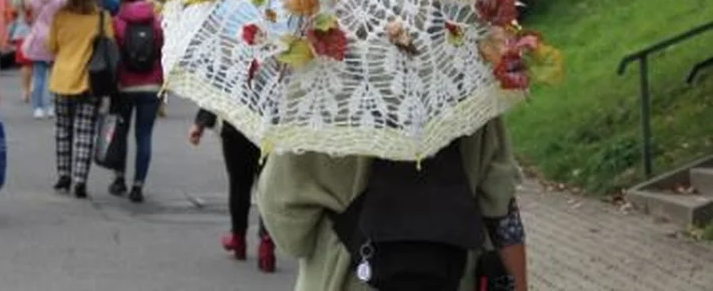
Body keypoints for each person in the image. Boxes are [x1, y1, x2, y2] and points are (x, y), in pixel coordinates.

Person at [256, 118, 529, 291]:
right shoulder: (466, 81)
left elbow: (291, 237)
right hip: (451, 275)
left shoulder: (314, 98)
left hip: (344, 279)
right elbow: (501, 212)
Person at [189, 110, 276, 273]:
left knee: (239, 186)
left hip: (237, 129)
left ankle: (238, 239)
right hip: (269, 130)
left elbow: (220, 90)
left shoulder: (238, 82)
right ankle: (267, 243)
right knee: (269, 188)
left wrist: (200, 124)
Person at [48, 0, 114, 199]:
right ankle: (80, 180)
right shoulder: (103, 18)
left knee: (62, 129)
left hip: (61, 79)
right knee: (85, 131)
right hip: (90, 80)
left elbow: (51, 46)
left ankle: (63, 174)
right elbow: (110, 46)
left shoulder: (61, 17)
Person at [107, 0, 163, 203]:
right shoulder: (156, 22)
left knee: (120, 133)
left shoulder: (117, 22)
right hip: (151, 85)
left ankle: (119, 178)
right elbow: (160, 48)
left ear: (122, 0)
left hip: (124, 85)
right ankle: (138, 185)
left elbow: (112, 53)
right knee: (144, 135)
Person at [21, 0, 66, 119]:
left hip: (38, 36)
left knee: (38, 75)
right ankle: (53, 106)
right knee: (54, 75)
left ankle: (38, 108)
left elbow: (27, 11)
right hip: (55, 36)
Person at [7, 1, 33, 104]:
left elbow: (13, 13)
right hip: (37, 33)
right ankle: (31, 88)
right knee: (36, 64)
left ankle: (25, 90)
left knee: (25, 64)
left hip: (22, 33)